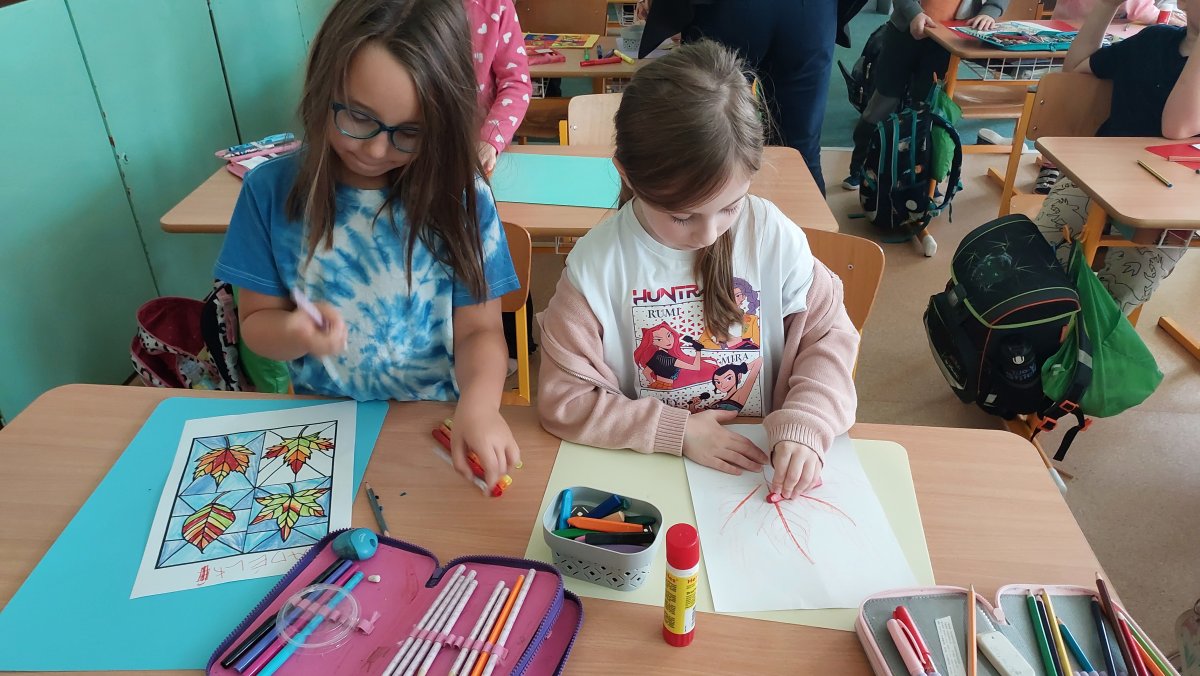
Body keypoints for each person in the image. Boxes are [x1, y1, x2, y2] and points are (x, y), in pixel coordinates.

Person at [213, 0, 521, 487]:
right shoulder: (269, 192)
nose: (376, 150)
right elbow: (255, 324)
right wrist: (295, 331)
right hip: (322, 431)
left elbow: (480, 332)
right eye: (358, 117)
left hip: (433, 424)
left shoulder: (461, 198)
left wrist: (481, 406)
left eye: (410, 132)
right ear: (323, 86)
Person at [537, 41, 860, 500]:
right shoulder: (596, 267)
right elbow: (565, 399)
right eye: (682, 216)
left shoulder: (771, 235)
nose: (708, 234)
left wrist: (808, 420)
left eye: (730, 207)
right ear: (627, 175)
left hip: (756, 471)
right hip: (650, 473)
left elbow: (828, 336)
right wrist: (676, 430)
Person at [1033, 0, 1199, 314]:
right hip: (1096, 178)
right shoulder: (1154, 40)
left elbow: (1176, 127)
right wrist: (1107, 4)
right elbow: (1077, 65)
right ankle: (1040, 325)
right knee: (1040, 258)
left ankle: (1086, 337)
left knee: (1121, 292)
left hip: (1168, 200)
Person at [636, 0, 867, 195]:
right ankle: (807, 236)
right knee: (801, 150)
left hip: (729, 10)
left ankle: (708, 231)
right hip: (810, 13)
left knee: (708, 139)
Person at [842, 0, 1010, 190]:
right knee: (882, 103)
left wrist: (990, 11)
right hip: (903, 33)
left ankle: (926, 180)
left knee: (928, 111)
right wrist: (913, 12)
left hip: (947, 37)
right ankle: (860, 168)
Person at [465, 0, 531, 174]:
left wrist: (490, 139)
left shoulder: (496, 5)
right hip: (415, 144)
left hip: (478, 150)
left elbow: (516, 83)